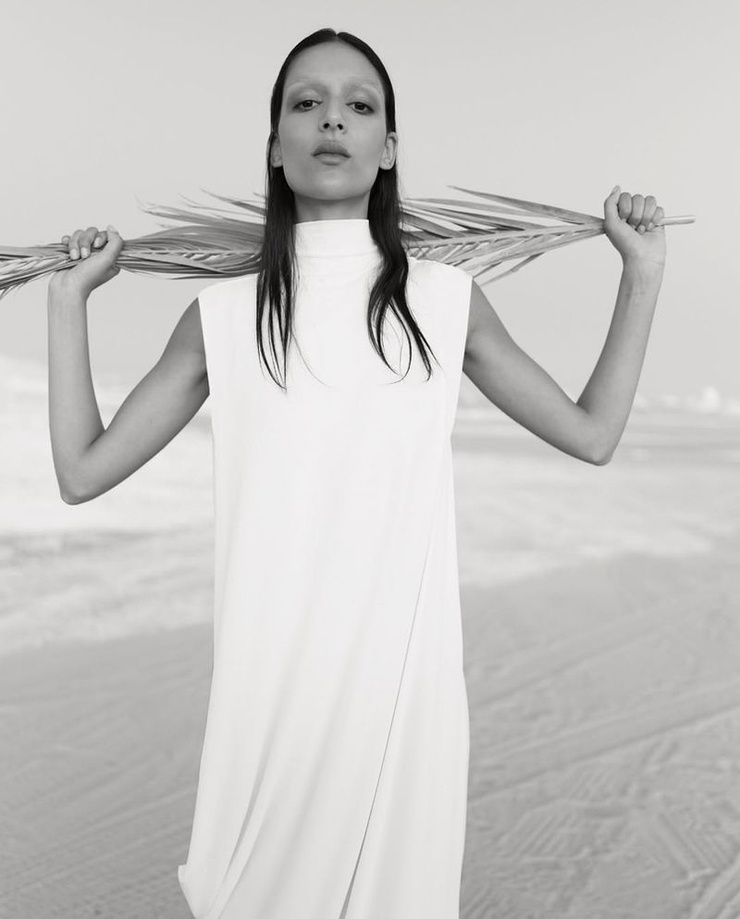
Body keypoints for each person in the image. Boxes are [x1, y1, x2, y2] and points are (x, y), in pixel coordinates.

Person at [47, 27, 665, 919]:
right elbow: (80, 470)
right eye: (307, 103)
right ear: (275, 145)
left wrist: (641, 273)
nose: (332, 119)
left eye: (359, 105)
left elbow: (593, 432)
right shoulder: (222, 315)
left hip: (400, 701)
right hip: (270, 701)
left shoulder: (444, 301)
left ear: (389, 148)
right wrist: (69, 302)